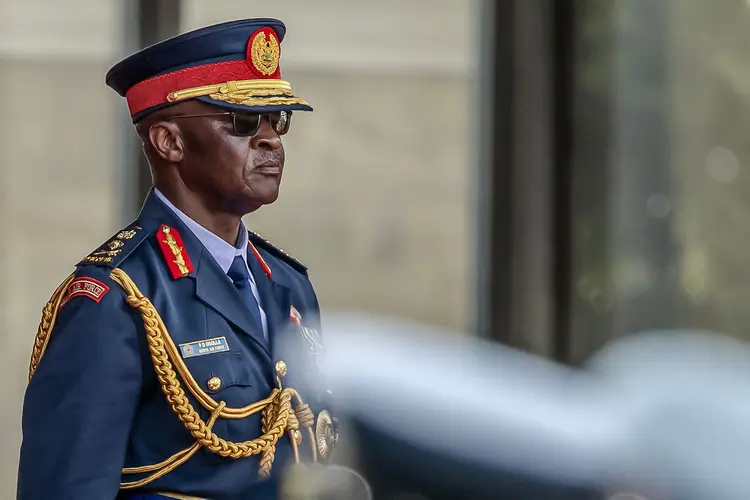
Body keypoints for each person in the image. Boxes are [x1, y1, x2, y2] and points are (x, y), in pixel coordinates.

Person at [18, 18, 337, 500]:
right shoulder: (116, 299)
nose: (271, 139)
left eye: (279, 120)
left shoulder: (287, 285)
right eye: (244, 122)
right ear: (170, 142)